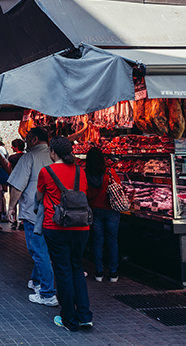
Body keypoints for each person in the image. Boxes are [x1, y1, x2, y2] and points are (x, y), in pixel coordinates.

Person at [37, 137, 92, 332]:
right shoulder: (80, 171)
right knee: (77, 268)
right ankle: (85, 316)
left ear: (53, 152)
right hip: (81, 227)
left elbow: (39, 195)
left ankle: (69, 319)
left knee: (63, 271)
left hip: (55, 225)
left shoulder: (46, 171)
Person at [6, 127, 58, 306]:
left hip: (33, 212)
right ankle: (36, 281)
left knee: (38, 251)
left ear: (34, 139)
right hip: (55, 213)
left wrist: (11, 207)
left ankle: (48, 292)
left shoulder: (29, 157)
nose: (25, 141)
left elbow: (17, 186)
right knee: (43, 250)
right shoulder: (55, 156)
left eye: (27, 138)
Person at [85, 147, 121, 283]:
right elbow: (119, 187)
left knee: (97, 241)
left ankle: (99, 272)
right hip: (111, 209)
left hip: (94, 209)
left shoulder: (85, 174)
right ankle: (113, 273)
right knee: (112, 241)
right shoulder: (109, 172)